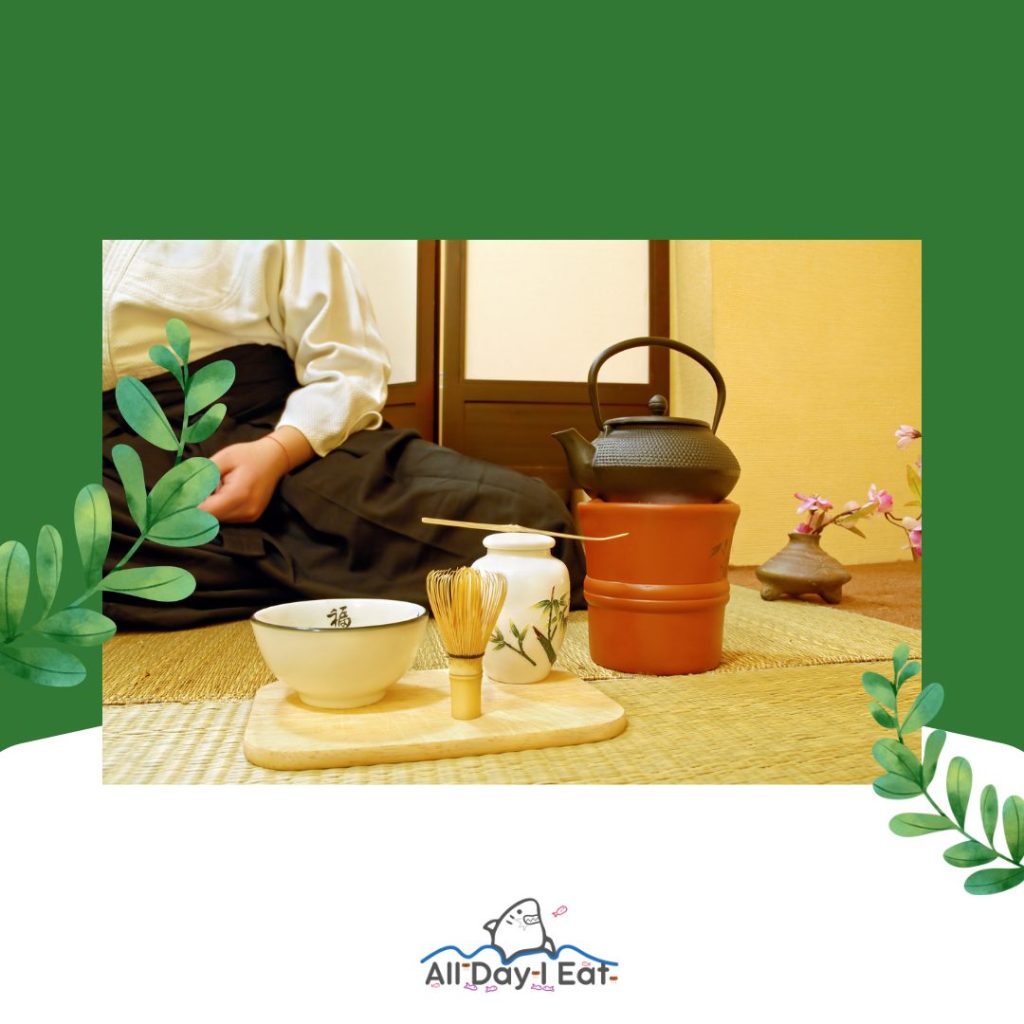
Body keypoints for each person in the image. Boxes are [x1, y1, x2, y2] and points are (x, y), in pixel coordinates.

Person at [101, 240, 584, 629]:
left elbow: (347, 369)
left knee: (530, 529)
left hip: (270, 437)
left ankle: (206, 573)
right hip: (116, 464)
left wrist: (275, 453)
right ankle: (299, 572)